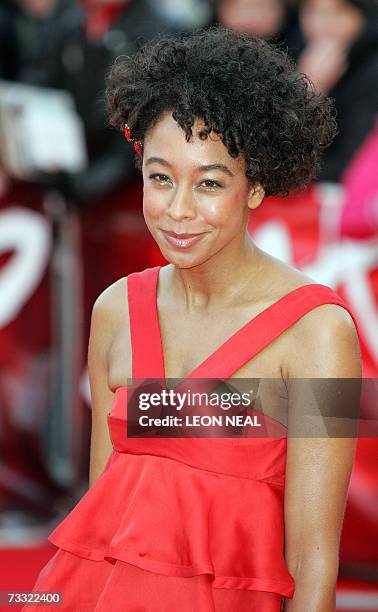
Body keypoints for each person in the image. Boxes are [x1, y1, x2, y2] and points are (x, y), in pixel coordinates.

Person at [22, 26, 362, 612]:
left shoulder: (320, 333)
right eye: (160, 177)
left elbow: (313, 561)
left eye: (209, 183)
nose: (178, 211)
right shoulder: (116, 309)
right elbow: (101, 514)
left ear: (255, 186)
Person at [295, 0, 378, 182]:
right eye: (313, 11)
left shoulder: (371, 69)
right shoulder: (295, 52)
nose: (323, 23)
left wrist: (311, 95)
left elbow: (352, 161)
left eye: (339, 11)